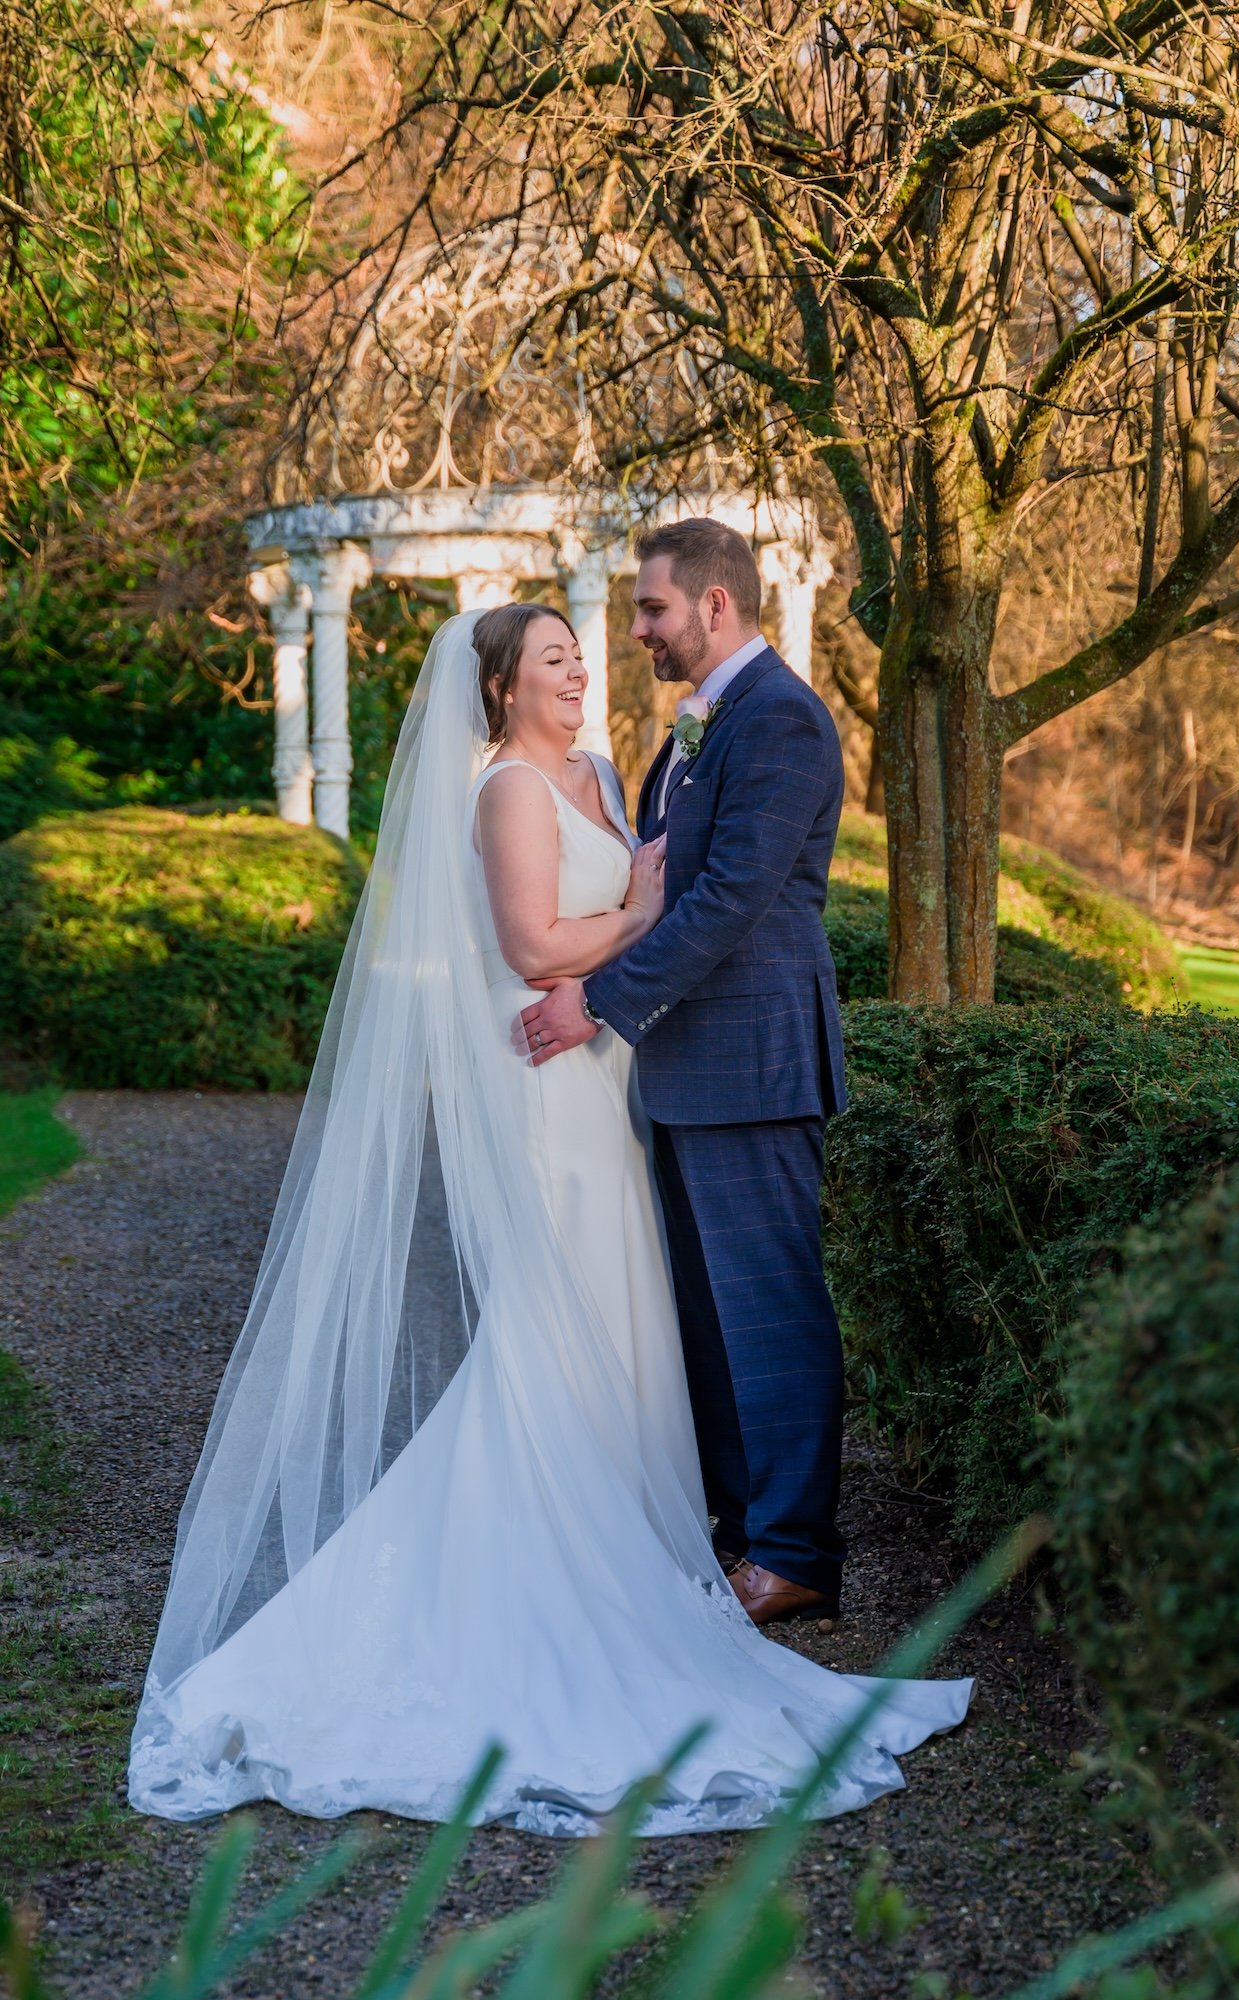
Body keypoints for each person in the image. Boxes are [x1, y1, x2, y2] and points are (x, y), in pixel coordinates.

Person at [128, 587, 970, 1836]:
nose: (581, 672)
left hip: (614, 1082)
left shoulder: (599, 766)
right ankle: (553, 1564)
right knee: (559, 1317)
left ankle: (637, 1545)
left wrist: (636, 922)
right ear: (500, 688)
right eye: (555, 660)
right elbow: (531, 946)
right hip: (546, 1083)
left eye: (583, 653)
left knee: (630, 1320)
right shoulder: (506, 790)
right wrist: (638, 912)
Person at [520, 520, 849, 1625]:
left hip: (753, 1058)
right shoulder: (701, 725)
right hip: (685, 1066)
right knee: (707, 1319)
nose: (638, 631)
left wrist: (597, 999)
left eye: (651, 609)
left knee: (770, 1311)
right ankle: (735, 1531)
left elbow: (728, 900)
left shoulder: (784, 721)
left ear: (715, 605)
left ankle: (795, 1551)